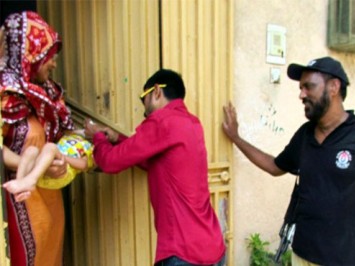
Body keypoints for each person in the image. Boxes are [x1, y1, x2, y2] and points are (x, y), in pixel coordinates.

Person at [222, 56, 355, 266]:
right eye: (301, 88)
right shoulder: (305, 135)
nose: (301, 94)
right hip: (302, 255)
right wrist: (236, 138)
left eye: (309, 87)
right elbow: (274, 166)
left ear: (334, 87)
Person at [84, 69, 226, 265]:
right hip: (213, 246)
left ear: (157, 91)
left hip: (183, 252)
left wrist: (97, 137)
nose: (144, 108)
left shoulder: (162, 121)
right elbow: (154, 161)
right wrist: (117, 139)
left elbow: (109, 162)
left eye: (144, 98)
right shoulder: (192, 123)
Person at [0, 11, 76, 265]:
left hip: (50, 198)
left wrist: (61, 162)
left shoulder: (49, 93)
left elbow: (62, 140)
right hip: (19, 196)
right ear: (29, 55)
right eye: (48, 56)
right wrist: (32, 165)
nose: (54, 64)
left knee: (52, 257)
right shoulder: (5, 94)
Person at [3, 133, 94, 202]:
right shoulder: (76, 136)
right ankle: (21, 185)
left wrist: (63, 157)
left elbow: (83, 165)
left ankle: (31, 180)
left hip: (63, 170)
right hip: (47, 163)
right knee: (31, 150)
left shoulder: (90, 150)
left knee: (50, 147)